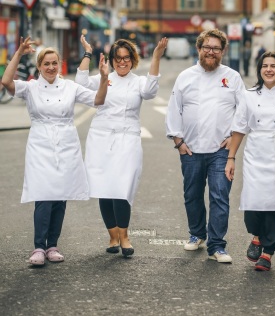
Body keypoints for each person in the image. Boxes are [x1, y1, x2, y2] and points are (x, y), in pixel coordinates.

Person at [1, 36, 109, 266]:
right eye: (46, 63)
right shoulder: (30, 88)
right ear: (39, 66)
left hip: (67, 143)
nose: (50, 67)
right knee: (44, 195)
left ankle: (52, 246)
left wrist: (104, 78)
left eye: (54, 63)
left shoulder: (70, 87)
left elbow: (98, 100)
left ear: (59, 65)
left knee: (60, 196)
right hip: (40, 143)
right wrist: (19, 53)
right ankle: (39, 247)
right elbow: (6, 81)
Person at [75, 36, 168, 257]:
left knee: (122, 188)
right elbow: (80, 81)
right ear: (112, 60)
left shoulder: (138, 82)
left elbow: (151, 90)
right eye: (118, 59)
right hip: (101, 137)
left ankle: (124, 236)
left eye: (126, 58)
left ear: (132, 59)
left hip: (128, 140)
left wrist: (156, 56)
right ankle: (113, 235)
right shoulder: (105, 77)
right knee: (104, 188)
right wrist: (88, 53)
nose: (122, 62)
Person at [165, 29, 245, 263]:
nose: (211, 52)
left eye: (216, 49)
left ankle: (217, 246)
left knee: (220, 196)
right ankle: (197, 234)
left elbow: (244, 111)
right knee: (192, 195)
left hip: (221, 150)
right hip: (190, 148)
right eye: (207, 47)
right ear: (199, 49)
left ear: (223, 52)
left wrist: (233, 138)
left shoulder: (232, 77)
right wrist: (178, 141)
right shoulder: (186, 76)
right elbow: (174, 109)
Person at [225, 51, 275, 271]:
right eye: (264, 66)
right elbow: (239, 128)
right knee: (253, 202)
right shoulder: (248, 95)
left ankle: (268, 252)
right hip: (256, 152)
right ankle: (257, 235)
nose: (269, 69)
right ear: (259, 70)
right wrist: (231, 158)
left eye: (273, 66)